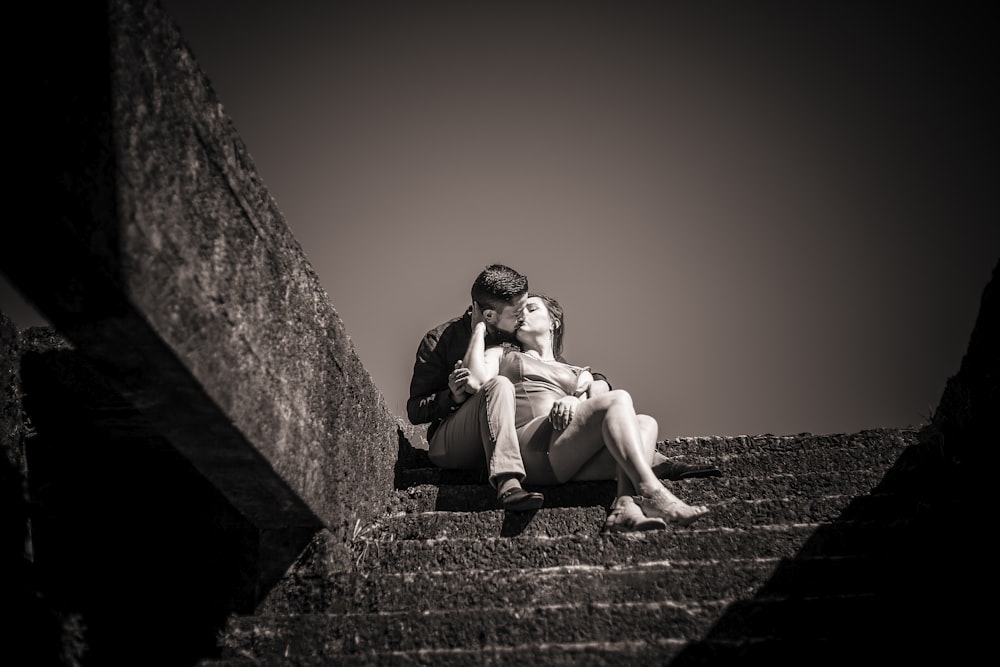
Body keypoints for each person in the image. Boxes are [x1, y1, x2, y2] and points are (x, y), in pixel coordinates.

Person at [462, 292, 712, 532]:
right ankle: (651, 491)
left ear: (554, 322)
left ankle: (624, 504)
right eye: (519, 311)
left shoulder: (579, 372)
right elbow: (475, 381)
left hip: (564, 452)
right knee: (620, 398)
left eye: (532, 308)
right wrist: (480, 329)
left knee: (645, 422)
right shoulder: (505, 353)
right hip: (528, 445)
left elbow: (601, 409)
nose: (522, 314)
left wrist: (575, 400)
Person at [407, 264, 545, 511]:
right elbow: (415, 410)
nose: (524, 316)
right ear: (490, 315)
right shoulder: (439, 340)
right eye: (518, 311)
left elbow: (555, 368)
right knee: (499, 384)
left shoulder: (519, 335)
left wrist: (597, 379)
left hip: (515, 438)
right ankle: (508, 484)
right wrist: (451, 397)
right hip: (452, 445)